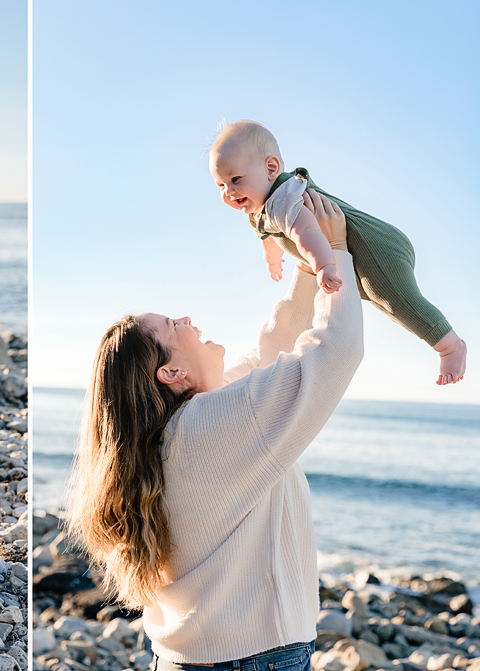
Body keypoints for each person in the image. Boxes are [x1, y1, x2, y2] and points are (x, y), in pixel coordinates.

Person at [69, 192, 362, 667]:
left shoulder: (185, 425)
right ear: (171, 374)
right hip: (254, 659)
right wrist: (338, 256)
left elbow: (273, 349)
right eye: (172, 325)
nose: (186, 318)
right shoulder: (212, 424)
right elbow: (336, 351)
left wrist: (311, 266)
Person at [209, 119, 466, 385]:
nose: (229, 191)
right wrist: (273, 261)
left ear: (271, 168)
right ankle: (441, 340)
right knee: (385, 304)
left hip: (374, 246)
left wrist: (323, 266)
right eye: (220, 185)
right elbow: (267, 236)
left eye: (235, 179)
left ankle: (450, 346)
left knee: (398, 300)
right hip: (361, 254)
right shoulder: (263, 208)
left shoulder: (283, 199)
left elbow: (306, 231)